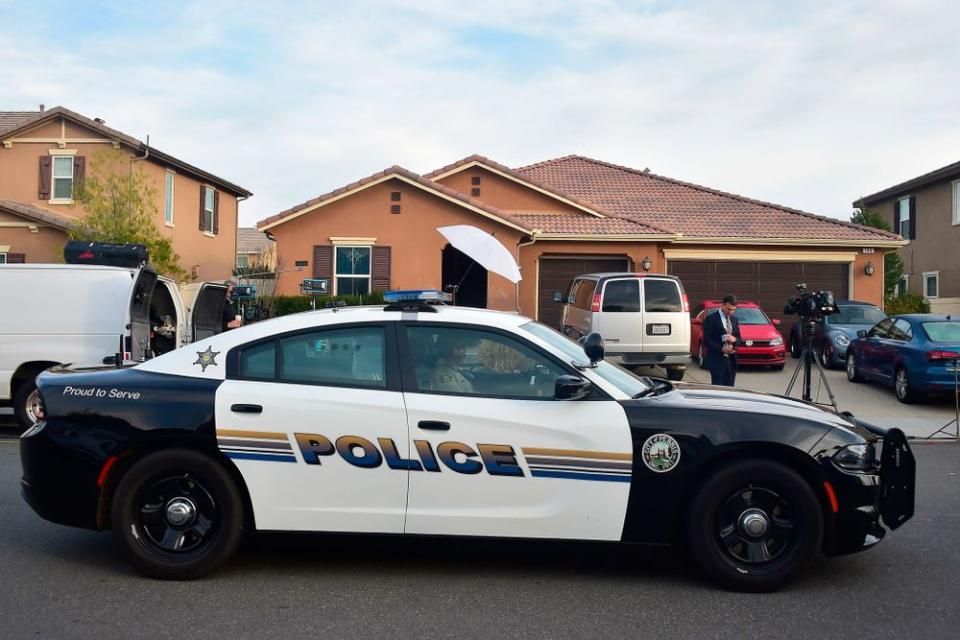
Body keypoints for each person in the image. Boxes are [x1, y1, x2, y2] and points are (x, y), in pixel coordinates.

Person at [703, 294, 741, 386]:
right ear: (723, 305)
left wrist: (734, 339)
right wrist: (721, 349)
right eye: (729, 309)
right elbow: (707, 340)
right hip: (717, 361)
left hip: (731, 361)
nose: (731, 312)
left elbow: (740, 339)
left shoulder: (734, 320)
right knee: (718, 390)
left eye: (733, 309)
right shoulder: (711, 319)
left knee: (730, 391)